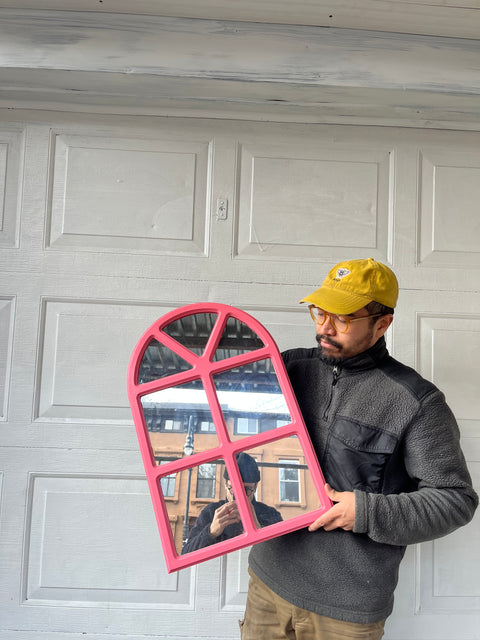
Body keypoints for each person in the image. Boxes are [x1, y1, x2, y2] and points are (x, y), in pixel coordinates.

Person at [241, 258, 478, 640]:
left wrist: (365, 511)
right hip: (268, 581)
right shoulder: (288, 367)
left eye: (344, 318)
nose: (325, 327)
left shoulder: (416, 401)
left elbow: (455, 500)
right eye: (320, 312)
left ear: (382, 323)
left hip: (346, 611)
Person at [182, 452, 282, 554]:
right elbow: (186, 554)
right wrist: (211, 532)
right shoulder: (211, 512)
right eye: (234, 489)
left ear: (255, 488)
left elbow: (284, 556)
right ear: (226, 485)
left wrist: (258, 529)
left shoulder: (270, 514)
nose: (239, 495)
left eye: (246, 490)